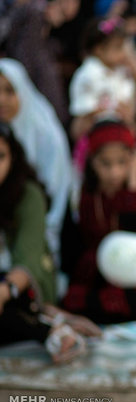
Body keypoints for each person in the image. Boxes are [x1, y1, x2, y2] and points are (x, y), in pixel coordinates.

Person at [0, 122, 100, 364]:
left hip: (22, 285)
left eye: (0, 156)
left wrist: (4, 292)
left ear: (13, 158)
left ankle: (46, 326)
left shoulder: (27, 195)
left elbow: (29, 258)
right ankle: (50, 324)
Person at [62, 120, 136, 324]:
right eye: (106, 163)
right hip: (93, 276)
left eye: (122, 162)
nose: (114, 172)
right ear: (92, 161)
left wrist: (132, 183)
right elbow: (69, 247)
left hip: (133, 274)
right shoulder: (81, 196)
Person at [0, 58, 73, 269]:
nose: (2, 100)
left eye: (9, 91)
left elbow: (56, 189)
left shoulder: (46, 134)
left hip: (41, 224)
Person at [68, 15, 136, 141]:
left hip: (119, 127)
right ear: (99, 49)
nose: (123, 53)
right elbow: (83, 109)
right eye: (117, 48)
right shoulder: (87, 73)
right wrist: (99, 110)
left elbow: (129, 101)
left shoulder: (122, 72)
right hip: (94, 129)